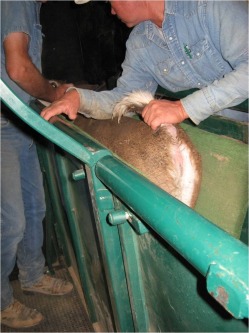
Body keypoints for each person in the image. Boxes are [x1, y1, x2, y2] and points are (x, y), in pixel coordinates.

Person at [41, 0, 248, 129]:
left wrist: (183, 108)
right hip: (214, 137)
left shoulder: (211, 5)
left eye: (109, 0)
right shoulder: (140, 42)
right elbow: (125, 100)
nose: (111, 11)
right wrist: (79, 98)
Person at [1, 0, 74, 329]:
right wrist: (53, 93)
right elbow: (18, 68)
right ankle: (1, 302)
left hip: (19, 121)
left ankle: (31, 275)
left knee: (34, 209)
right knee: (12, 221)